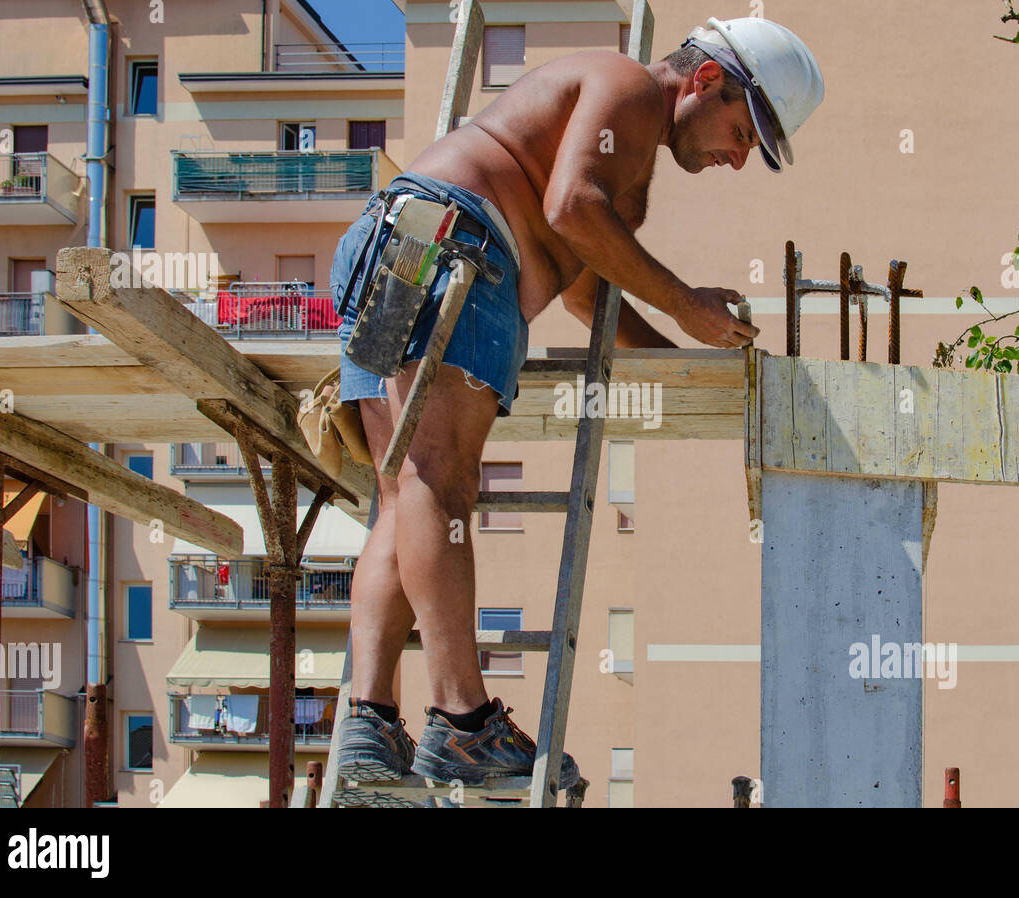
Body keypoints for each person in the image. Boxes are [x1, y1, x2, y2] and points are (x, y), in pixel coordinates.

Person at [332, 16, 824, 791]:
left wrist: (684, 364)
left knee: (405, 493)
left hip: (401, 246)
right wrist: (685, 302)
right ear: (704, 81)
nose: (736, 159)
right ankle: (462, 724)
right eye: (741, 133)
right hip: (459, 249)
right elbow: (569, 208)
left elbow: (587, 289)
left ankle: (371, 722)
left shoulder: (624, 147)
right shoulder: (630, 87)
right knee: (440, 482)